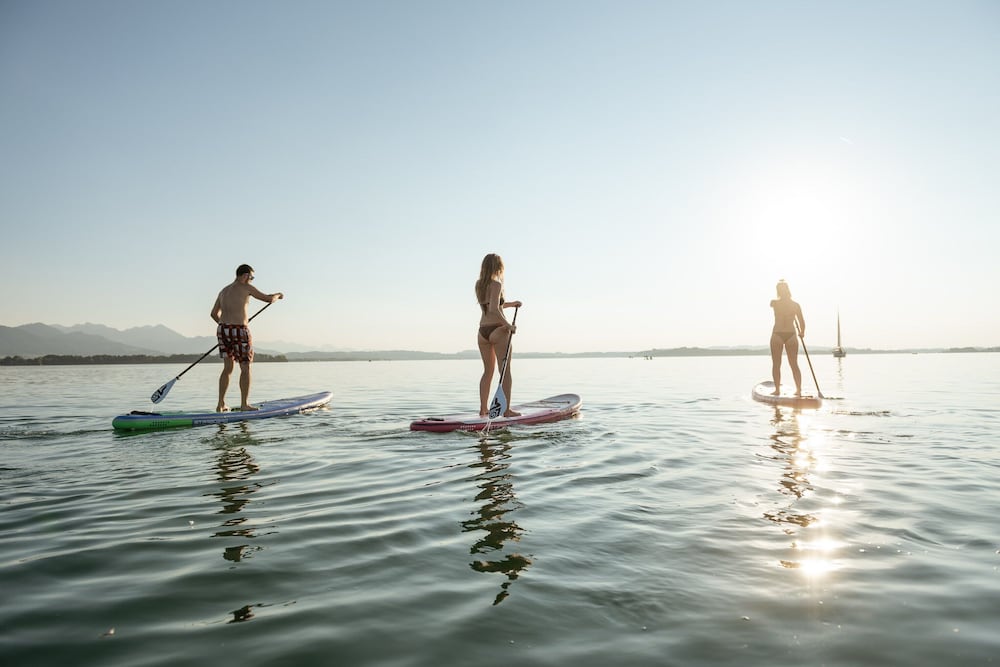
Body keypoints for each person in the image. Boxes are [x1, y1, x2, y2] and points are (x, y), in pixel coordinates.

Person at [211, 264, 283, 412]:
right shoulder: (246, 288)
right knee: (245, 367)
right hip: (239, 330)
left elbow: (213, 314)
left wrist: (226, 326)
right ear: (245, 276)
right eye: (251, 277)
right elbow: (268, 299)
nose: (251, 280)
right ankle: (244, 404)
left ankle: (220, 404)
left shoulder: (223, 291)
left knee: (228, 368)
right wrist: (278, 295)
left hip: (223, 329)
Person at [475, 253, 522, 417]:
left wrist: (511, 304)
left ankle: (483, 409)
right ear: (498, 267)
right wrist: (507, 325)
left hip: (482, 332)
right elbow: (495, 309)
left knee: (488, 371)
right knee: (505, 372)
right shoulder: (496, 284)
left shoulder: (479, 284)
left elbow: (490, 305)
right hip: (497, 329)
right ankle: (507, 410)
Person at [769, 279, 805, 396]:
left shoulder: (774, 303)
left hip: (777, 334)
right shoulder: (795, 305)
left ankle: (777, 390)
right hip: (791, 334)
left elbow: (775, 303)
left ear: (778, 291)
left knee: (776, 364)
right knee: (794, 364)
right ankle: (798, 390)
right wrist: (802, 332)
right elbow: (802, 321)